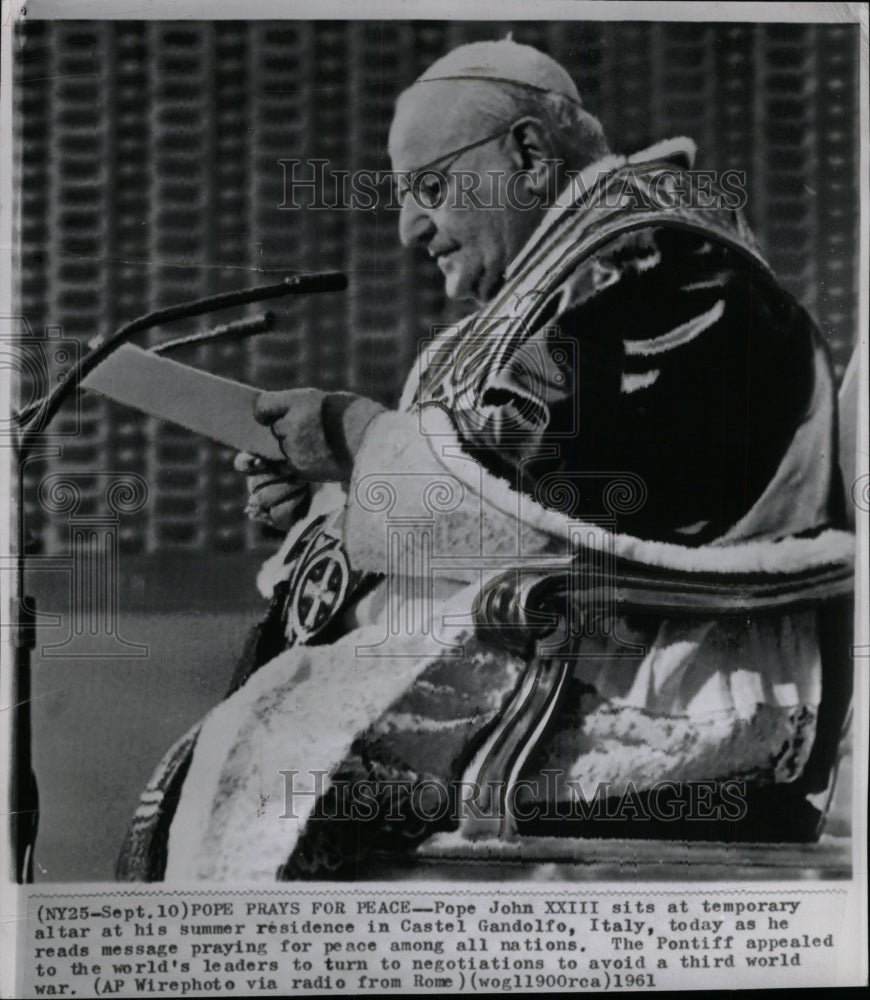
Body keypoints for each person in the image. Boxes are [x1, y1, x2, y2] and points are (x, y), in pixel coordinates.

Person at [117, 40, 853, 881]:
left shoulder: (663, 266)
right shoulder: (564, 282)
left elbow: (544, 495)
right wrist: (333, 495)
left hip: (663, 682)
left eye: (429, 188)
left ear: (531, 155)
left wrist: (357, 438)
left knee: (272, 762)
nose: (409, 229)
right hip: (560, 643)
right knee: (256, 746)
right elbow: (501, 463)